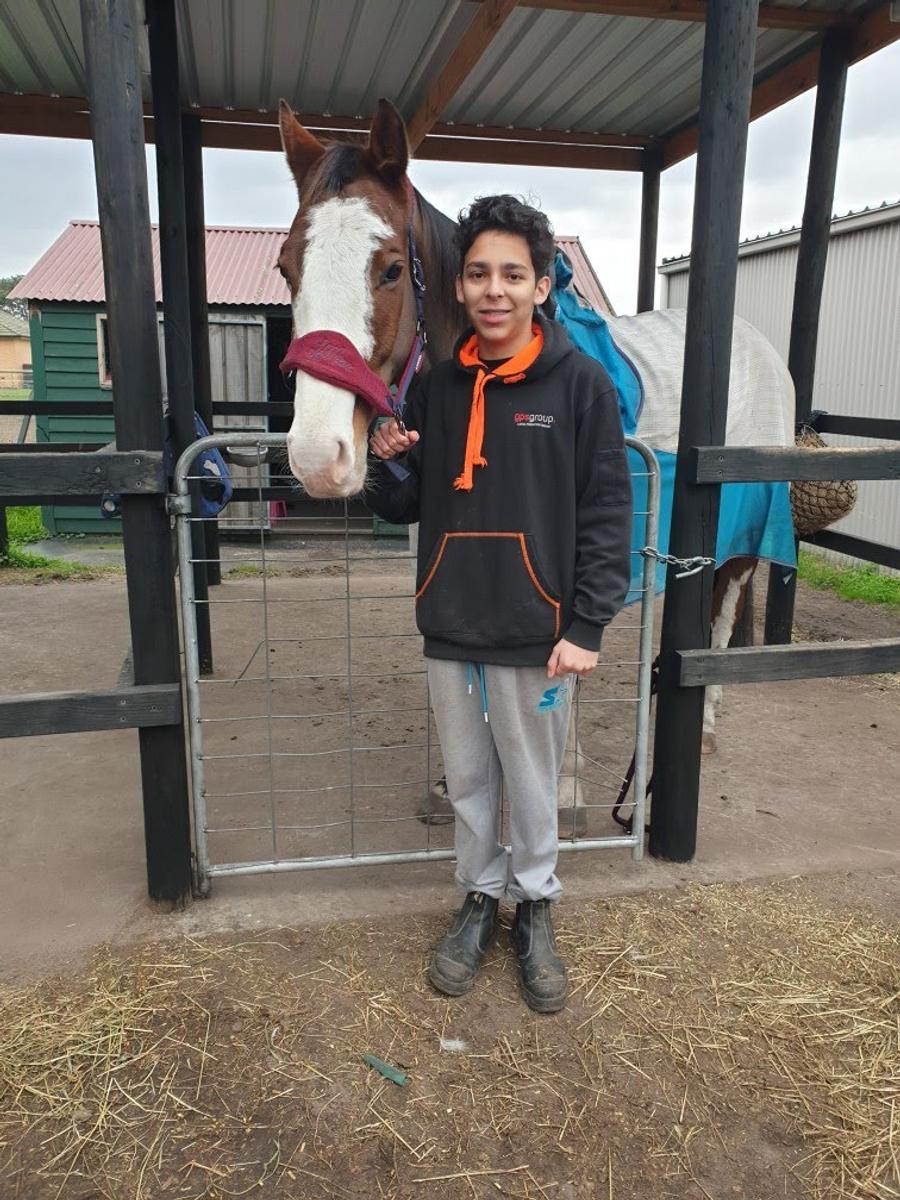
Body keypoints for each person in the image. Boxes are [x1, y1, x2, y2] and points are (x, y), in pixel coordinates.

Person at [367, 194, 632, 1013]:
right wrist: (389, 458)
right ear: (458, 286)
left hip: (538, 632)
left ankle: (536, 906)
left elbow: (606, 513)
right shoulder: (435, 388)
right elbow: (401, 505)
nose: (494, 289)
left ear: (542, 286)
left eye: (513, 275)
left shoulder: (582, 386)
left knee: (534, 779)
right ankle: (480, 897)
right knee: (470, 780)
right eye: (478, 273)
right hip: (451, 623)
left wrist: (587, 624)